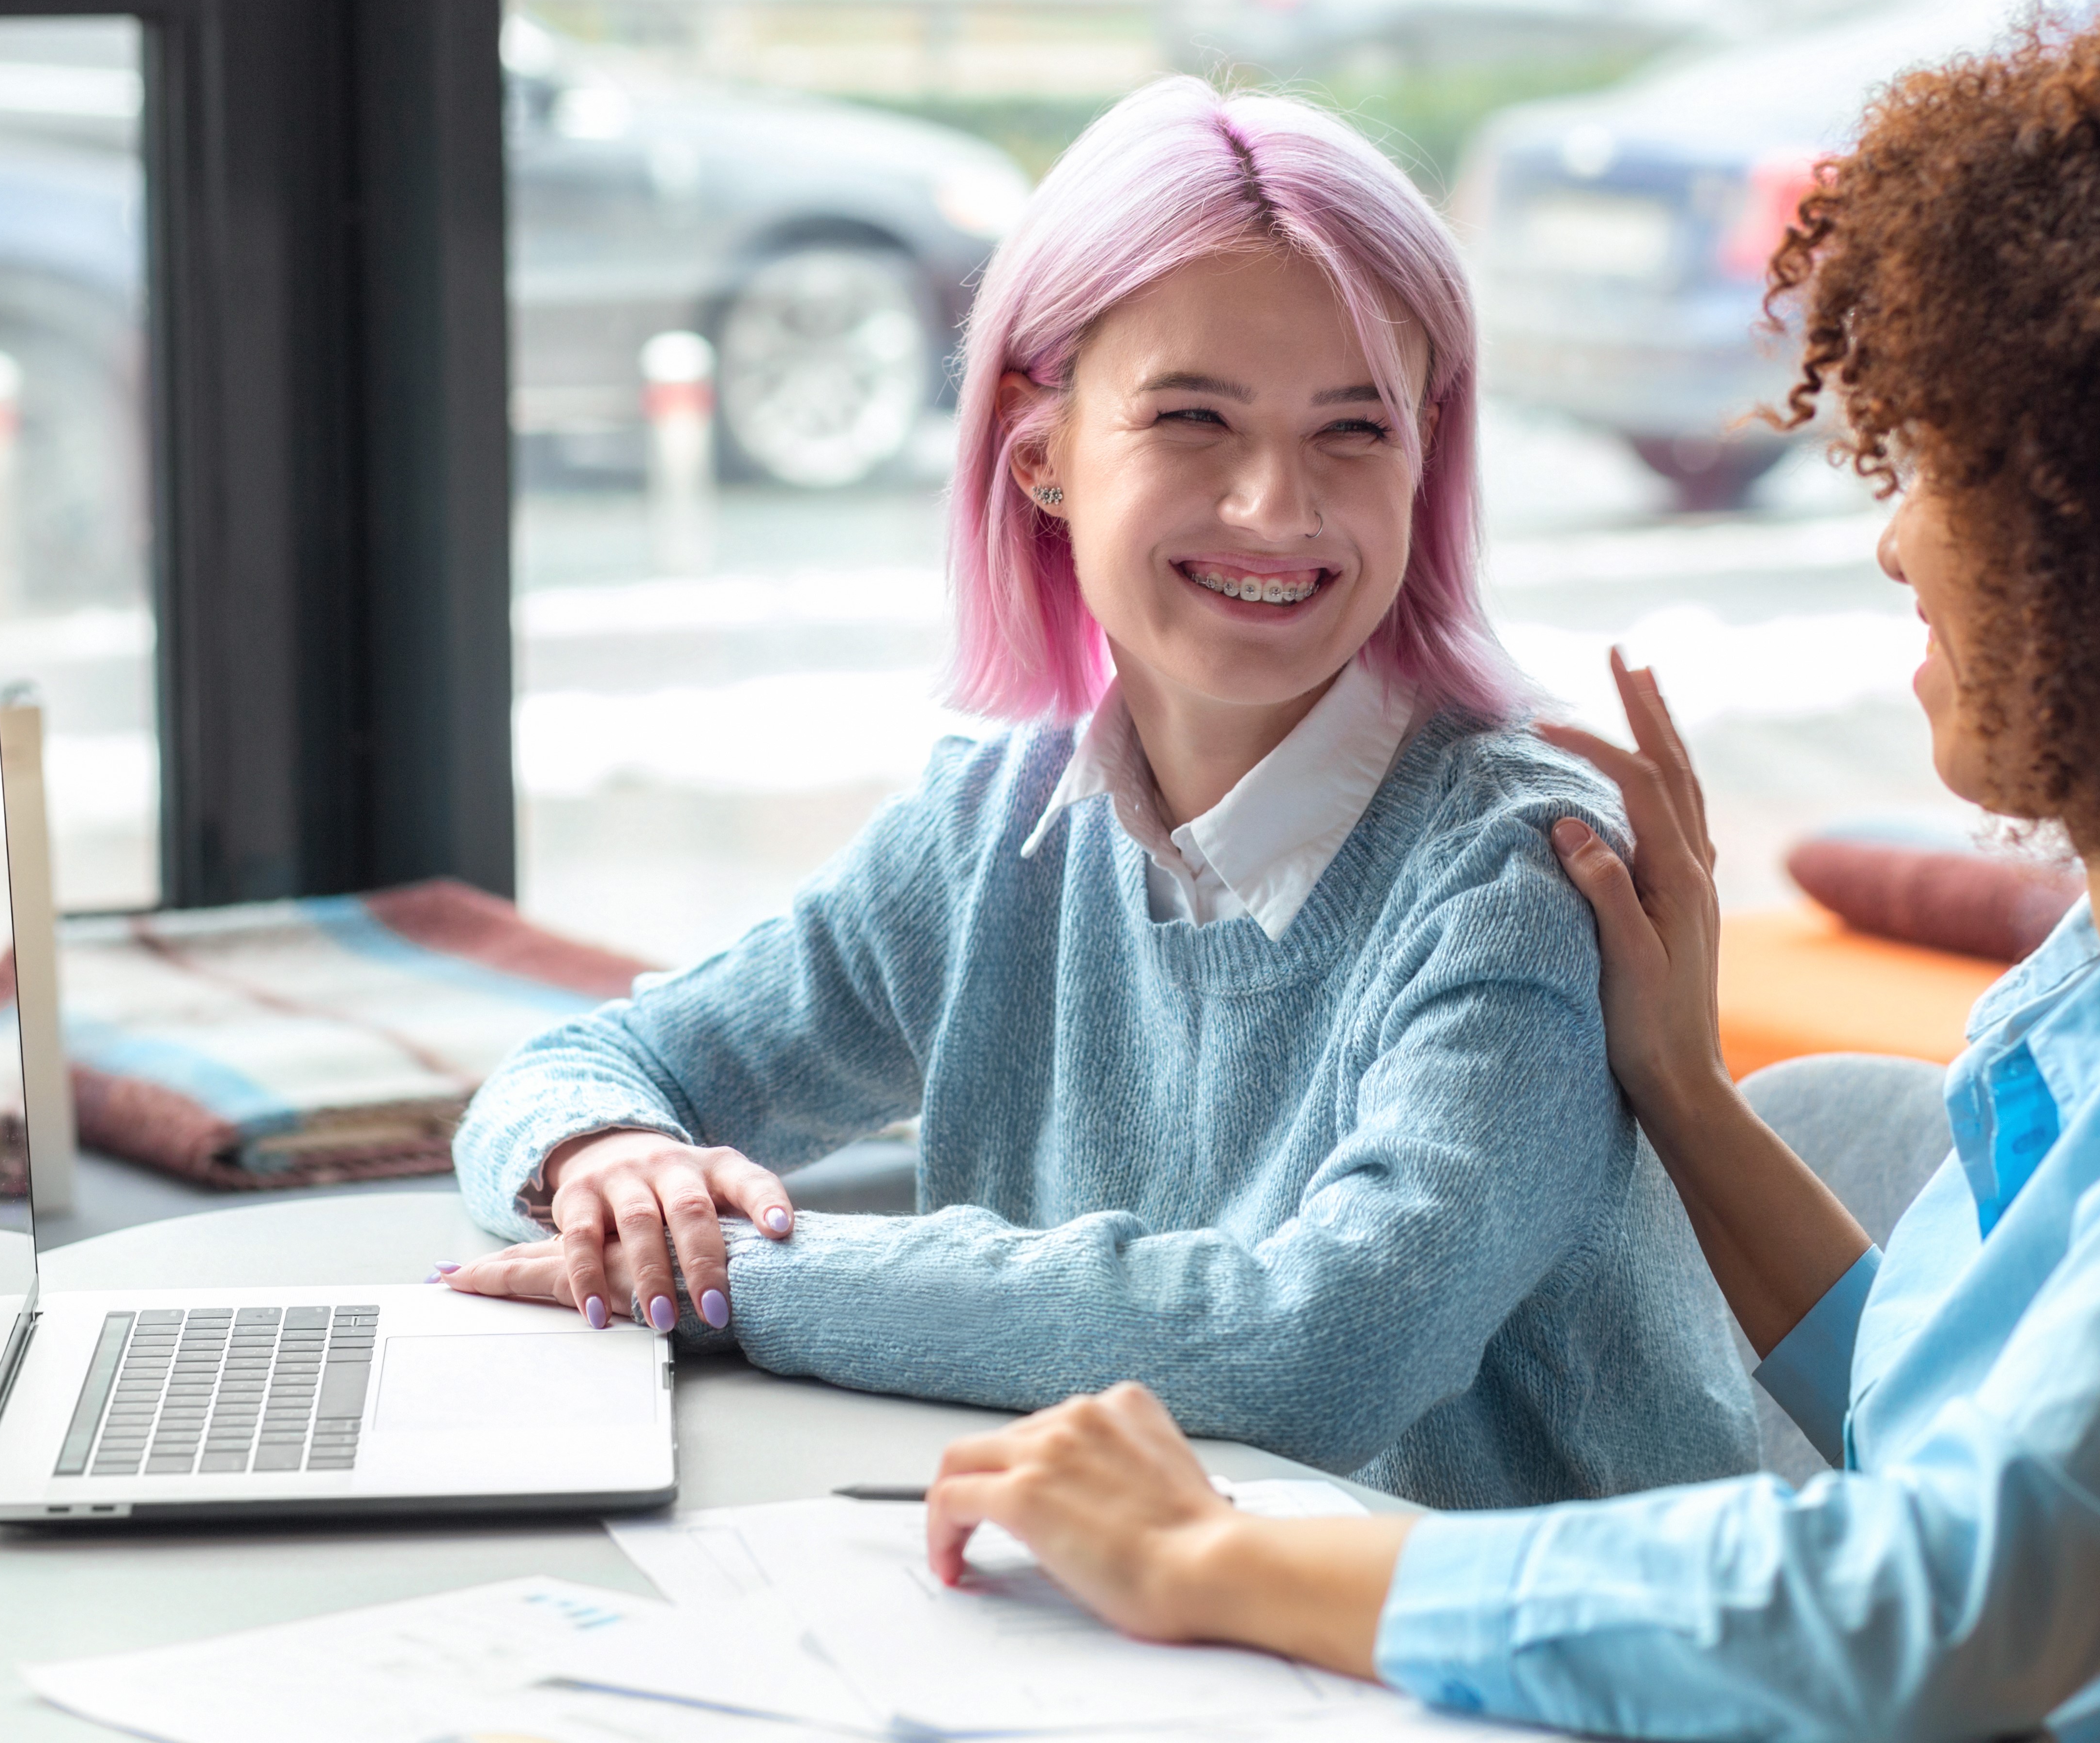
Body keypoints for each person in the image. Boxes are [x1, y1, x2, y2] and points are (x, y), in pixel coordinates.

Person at [915, 0, 2100, 1736]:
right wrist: (1677, 1076)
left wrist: (1215, 1561)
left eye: (1944, 469)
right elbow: (1941, 1423)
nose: (1892, 540)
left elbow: (1936, 1598)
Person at [441, 76, 1759, 1511]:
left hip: (1513, 1669)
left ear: (1426, 454)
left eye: (1354, 429)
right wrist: (607, 1157)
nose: (1277, 507)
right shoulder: (985, 837)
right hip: (1138, 1618)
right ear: (1040, 458)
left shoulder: (1520, 867)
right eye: (1193, 418)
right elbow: (586, 1069)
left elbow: (1320, 1355)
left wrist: (732, 1276)